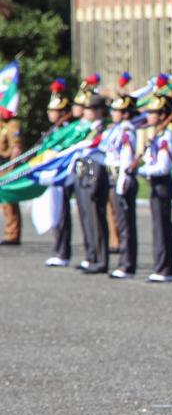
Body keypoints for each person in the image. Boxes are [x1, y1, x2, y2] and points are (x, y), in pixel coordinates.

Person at [137, 94, 172, 283]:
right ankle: (161, 266)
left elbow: (162, 166)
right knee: (157, 226)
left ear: (162, 115)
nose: (149, 116)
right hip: (156, 183)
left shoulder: (165, 136)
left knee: (162, 227)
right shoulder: (158, 134)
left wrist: (142, 170)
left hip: (162, 183)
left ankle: (165, 268)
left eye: (153, 112)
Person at [73, 95, 111, 274]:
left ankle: (101, 259)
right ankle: (91, 255)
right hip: (84, 177)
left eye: (88, 109)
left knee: (97, 220)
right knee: (87, 219)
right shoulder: (88, 129)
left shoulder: (103, 129)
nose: (85, 112)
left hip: (95, 178)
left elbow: (99, 158)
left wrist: (94, 182)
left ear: (98, 111)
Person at [106, 93, 139, 279]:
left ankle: (127, 264)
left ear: (125, 113)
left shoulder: (127, 132)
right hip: (115, 179)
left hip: (122, 180)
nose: (113, 113)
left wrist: (121, 185)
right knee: (121, 222)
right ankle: (124, 263)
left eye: (116, 110)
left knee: (126, 225)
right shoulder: (118, 130)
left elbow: (126, 160)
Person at [44, 80, 75, 267]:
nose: (49, 113)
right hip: (53, 176)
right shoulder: (54, 130)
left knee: (62, 214)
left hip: (64, 175)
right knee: (56, 212)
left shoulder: (66, 131)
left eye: (53, 110)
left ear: (63, 112)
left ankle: (63, 252)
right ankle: (58, 249)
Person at [0, 107, 23, 245]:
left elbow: (16, 149)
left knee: (9, 202)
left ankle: (12, 234)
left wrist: (11, 170)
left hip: (7, 166)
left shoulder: (12, 124)